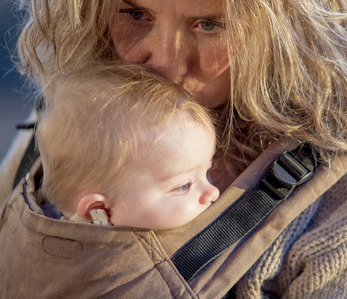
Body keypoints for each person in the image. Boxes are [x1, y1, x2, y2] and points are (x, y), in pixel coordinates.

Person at [0, 0, 347, 297]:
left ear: (288, 30)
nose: (164, 63)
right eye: (135, 14)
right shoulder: (70, 121)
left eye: (210, 24)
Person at [35, 62, 219, 229]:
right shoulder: (109, 264)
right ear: (99, 212)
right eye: (183, 186)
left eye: (207, 172)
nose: (213, 192)